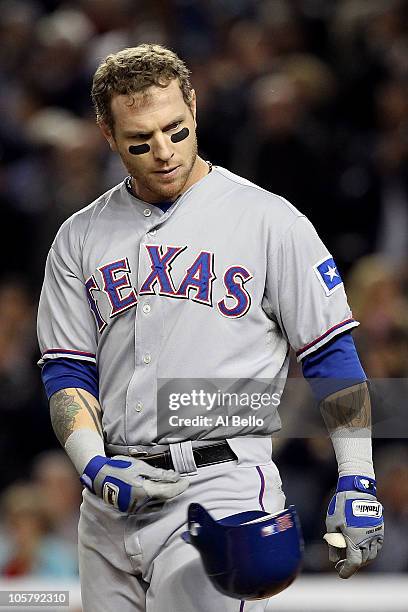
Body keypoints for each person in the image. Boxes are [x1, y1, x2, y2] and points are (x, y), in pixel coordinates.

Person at [37, 44, 384, 612]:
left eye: (175, 130)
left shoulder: (269, 220)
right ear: (107, 133)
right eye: (139, 142)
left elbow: (330, 358)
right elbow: (67, 373)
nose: (164, 152)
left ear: (194, 105)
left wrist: (358, 479)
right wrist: (93, 466)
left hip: (221, 489)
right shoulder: (79, 238)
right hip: (110, 503)